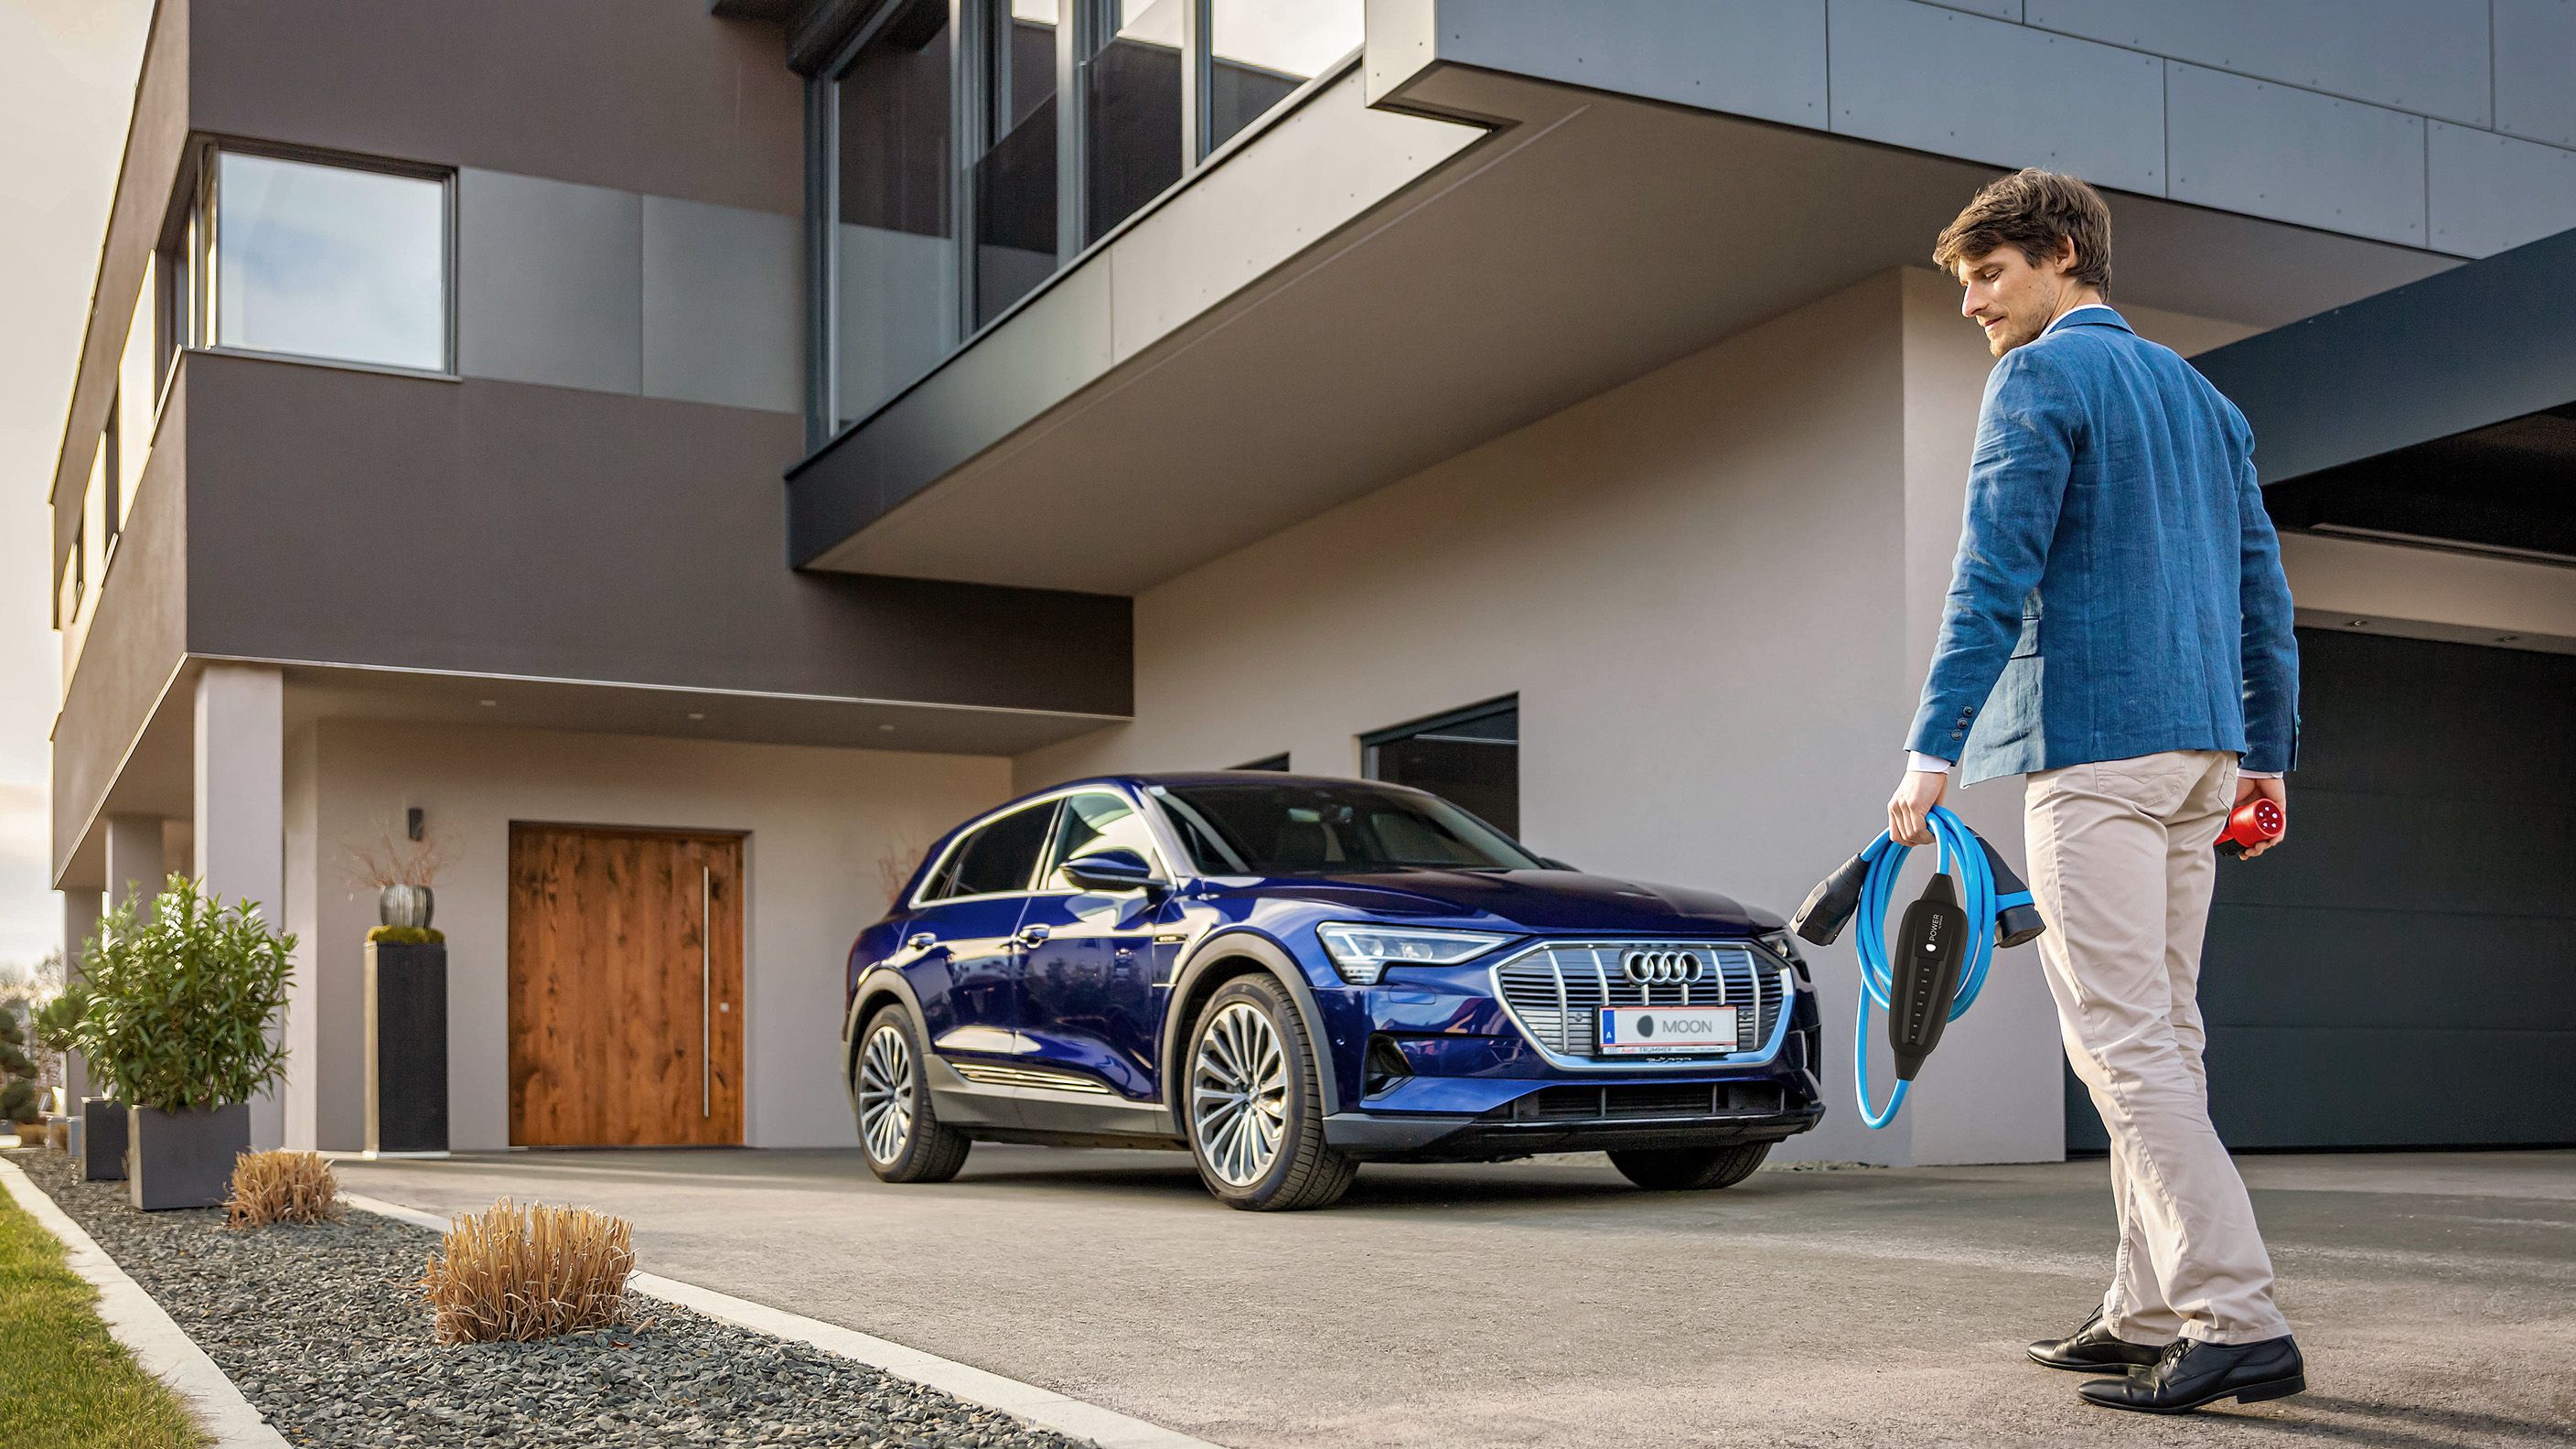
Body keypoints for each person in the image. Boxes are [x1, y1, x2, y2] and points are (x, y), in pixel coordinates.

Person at [1885, 169, 2305, 1414]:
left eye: (1990, 274)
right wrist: (2266, 758)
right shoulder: (2206, 401)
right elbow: (2261, 597)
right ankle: (2148, 1310)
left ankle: (2238, 1315)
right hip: (2202, 757)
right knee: (2166, 1036)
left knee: (2122, 1047)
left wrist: (1930, 746)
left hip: (2098, 758)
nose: (1971, 304)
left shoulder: (2040, 376)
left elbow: (1992, 571)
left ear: (2063, 255)